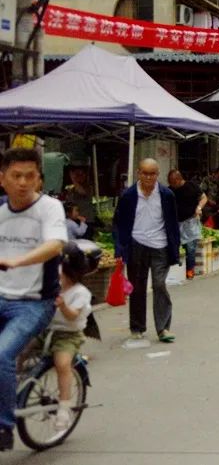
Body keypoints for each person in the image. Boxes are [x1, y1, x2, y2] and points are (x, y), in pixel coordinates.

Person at [0, 148, 66, 451]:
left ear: (39, 179)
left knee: (1, 355)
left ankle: (4, 425)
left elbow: (54, 245)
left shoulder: (50, 208)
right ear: (3, 179)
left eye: (30, 176)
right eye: (16, 176)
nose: (23, 182)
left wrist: (20, 260)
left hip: (34, 302)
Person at [113, 158, 181, 344]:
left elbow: (173, 223)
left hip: (160, 246)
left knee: (159, 284)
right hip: (137, 244)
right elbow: (118, 223)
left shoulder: (167, 195)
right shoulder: (128, 196)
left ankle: (163, 328)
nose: (149, 177)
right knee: (137, 287)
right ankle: (137, 327)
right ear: (138, 173)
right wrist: (119, 249)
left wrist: (175, 248)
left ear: (158, 175)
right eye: (145, 173)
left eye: (152, 174)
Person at [48, 246, 93, 432]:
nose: (58, 275)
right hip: (45, 330)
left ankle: (64, 407)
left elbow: (73, 315)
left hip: (68, 334)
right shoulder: (53, 284)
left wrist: (63, 305)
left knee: (63, 363)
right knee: (19, 351)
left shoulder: (80, 292)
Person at [168, 170, 206, 280]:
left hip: (191, 221)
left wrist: (199, 208)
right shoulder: (170, 190)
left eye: (173, 182)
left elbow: (204, 198)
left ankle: (190, 270)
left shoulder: (191, 186)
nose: (171, 185)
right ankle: (177, 269)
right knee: (176, 246)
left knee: (190, 247)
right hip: (176, 223)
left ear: (178, 179)